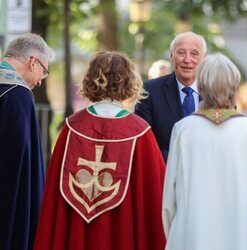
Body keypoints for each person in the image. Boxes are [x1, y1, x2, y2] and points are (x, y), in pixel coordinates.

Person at [33, 51, 166, 250]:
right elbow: (156, 195)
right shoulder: (139, 132)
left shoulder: (72, 127)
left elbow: (54, 198)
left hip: (77, 235)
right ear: (129, 82)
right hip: (123, 233)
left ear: (90, 80)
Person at [162, 53, 247, 250]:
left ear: (200, 86)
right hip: (240, 235)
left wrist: (177, 236)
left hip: (192, 235)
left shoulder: (184, 129)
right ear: (234, 87)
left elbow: (170, 199)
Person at [0, 33, 54, 250]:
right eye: (44, 70)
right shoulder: (18, 95)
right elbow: (20, 162)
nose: (41, 80)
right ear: (33, 62)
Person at [135, 31, 207, 162]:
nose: (187, 60)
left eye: (194, 53)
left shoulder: (216, 92)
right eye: (181, 52)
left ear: (204, 58)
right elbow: (143, 144)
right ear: (171, 56)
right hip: (164, 175)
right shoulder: (150, 91)